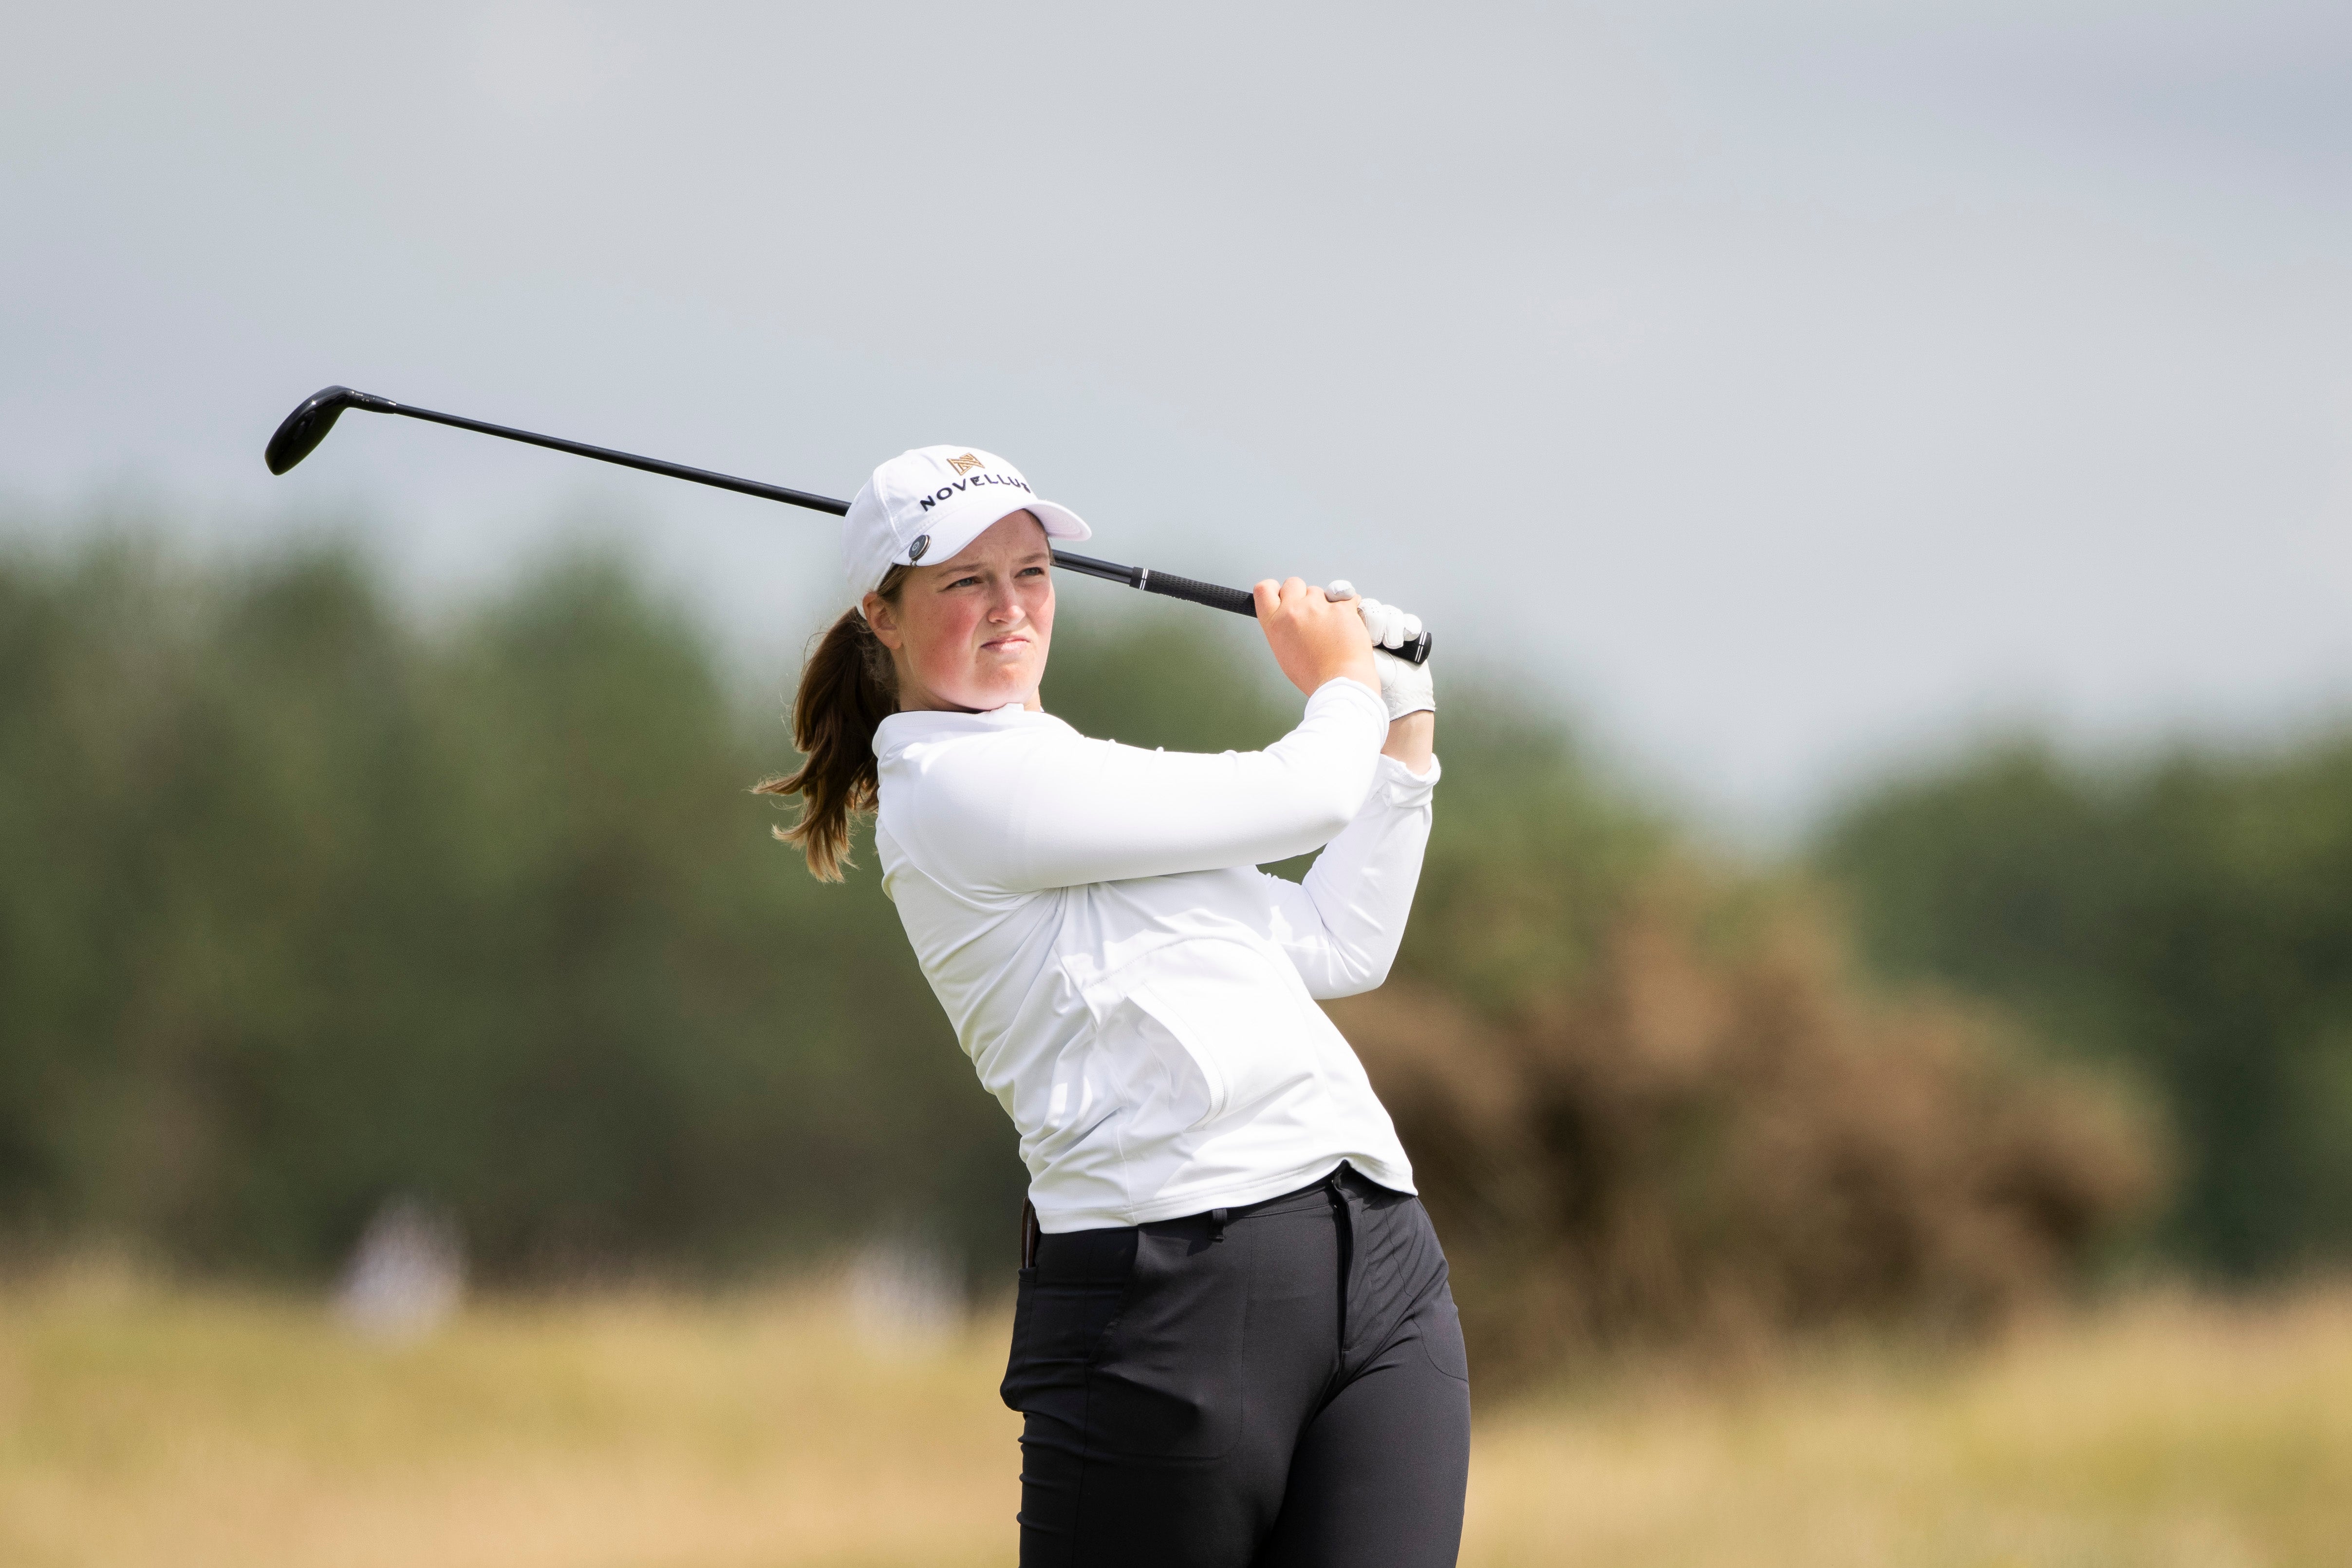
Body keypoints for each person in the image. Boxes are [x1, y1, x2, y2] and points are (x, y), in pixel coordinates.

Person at [760, 446, 1467, 1567]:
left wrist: (1404, 718)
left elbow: (1340, 939)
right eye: (965, 580)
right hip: (1166, 1294)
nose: (1010, 606)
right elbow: (1306, 791)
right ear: (881, 616)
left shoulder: (1072, 776)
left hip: (1375, 1257)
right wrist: (1342, 680)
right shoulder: (958, 789)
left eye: (1031, 572)